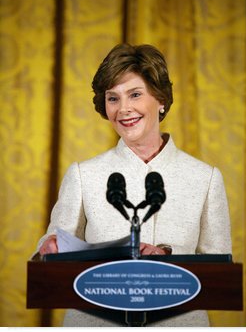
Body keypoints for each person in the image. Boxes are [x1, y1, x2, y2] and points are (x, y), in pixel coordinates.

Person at [36, 43, 232, 327]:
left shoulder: (206, 178)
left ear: (161, 99)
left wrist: (167, 256)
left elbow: (219, 272)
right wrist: (49, 248)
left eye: (135, 94)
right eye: (112, 98)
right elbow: (53, 246)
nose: (123, 109)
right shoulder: (82, 174)